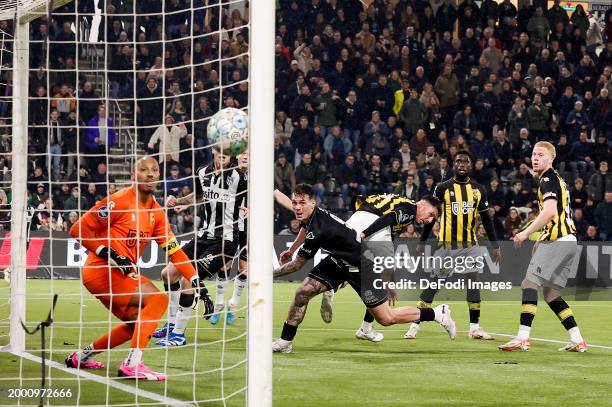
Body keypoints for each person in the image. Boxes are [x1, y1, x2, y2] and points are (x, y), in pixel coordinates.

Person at [65, 156, 207, 380]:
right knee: (158, 300)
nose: (150, 174)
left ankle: (81, 356)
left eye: (154, 170)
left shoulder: (157, 213)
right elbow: (77, 229)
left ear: (159, 177)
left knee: (137, 325)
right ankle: (132, 364)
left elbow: (174, 251)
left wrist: (195, 280)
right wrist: (108, 253)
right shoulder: (118, 201)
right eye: (143, 169)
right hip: (101, 269)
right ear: (134, 175)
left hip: (121, 275)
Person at [272, 184, 454, 353]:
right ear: (422, 204)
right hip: (363, 235)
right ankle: (285, 341)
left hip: (358, 244)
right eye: (430, 214)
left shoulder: (318, 218)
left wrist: (287, 253)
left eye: (301, 203)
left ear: (312, 203)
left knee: (386, 318)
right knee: (303, 291)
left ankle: (437, 313)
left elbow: (303, 242)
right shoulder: (410, 209)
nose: (428, 220)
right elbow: (388, 219)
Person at [499, 142, 587, 352]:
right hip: (569, 241)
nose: (535, 158)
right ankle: (577, 339)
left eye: (541, 154)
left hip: (559, 241)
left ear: (551, 159)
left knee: (529, 283)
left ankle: (522, 337)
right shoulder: (557, 179)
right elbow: (558, 214)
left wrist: (526, 232)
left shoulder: (547, 179)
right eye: (533, 154)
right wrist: (542, 238)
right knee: (551, 295)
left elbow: (548, 212)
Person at [154, 148, 247, 346]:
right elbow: (198, 195)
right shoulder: (202, 172)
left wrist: (249, 207)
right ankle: (171, 326)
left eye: (228, 152)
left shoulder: (240, 176)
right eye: (220, 150)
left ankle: (179, 334)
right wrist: (179, 201)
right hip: (203, 236)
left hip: (225, 241)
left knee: (189, 277)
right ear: (214, 150)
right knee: (167, 274)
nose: (224, 154)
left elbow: (257, 195)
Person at [405, 151, 501, 340]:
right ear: (453, 165)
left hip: (470, 246)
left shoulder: (479, 190)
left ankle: (474, 328)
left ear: (471, 165)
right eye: (458, 161)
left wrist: (495, 245)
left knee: (473, 282)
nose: (462, 164)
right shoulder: (442, 188)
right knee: (434, 285)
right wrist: (423, 241)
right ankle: (414, 326)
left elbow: (487, 220)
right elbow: (432, 215)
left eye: (466, 161)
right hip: (447, 247)